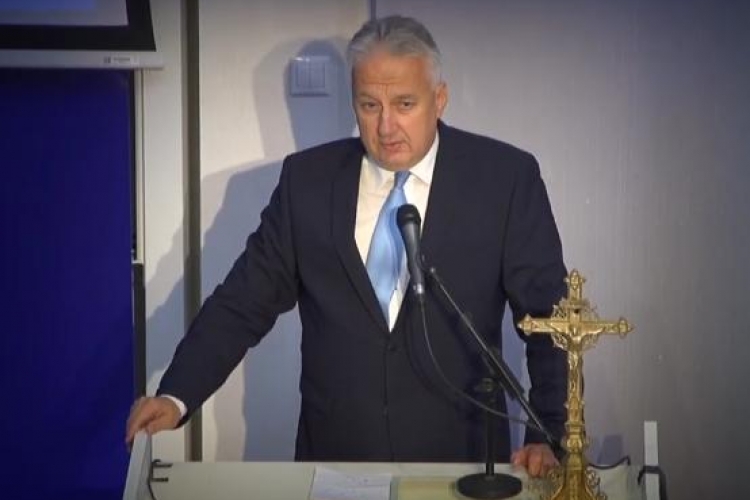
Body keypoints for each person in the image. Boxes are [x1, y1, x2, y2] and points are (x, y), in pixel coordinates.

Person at [127, 15, 568, 478]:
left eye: (404, 104)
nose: (386, 126)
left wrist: (547, 432)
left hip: (464, 463)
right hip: (335, 463)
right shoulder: (307, 183)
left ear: (439, 99)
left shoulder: (504, 180)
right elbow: (243, 302)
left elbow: (550, 319)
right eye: (369, 105)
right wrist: (176, 395)